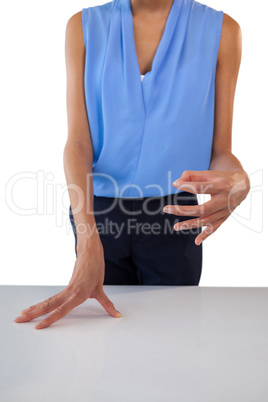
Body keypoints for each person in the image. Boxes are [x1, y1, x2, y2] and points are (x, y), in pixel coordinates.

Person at [14, 0, 250, 330]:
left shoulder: (222, 32)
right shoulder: (82, 27)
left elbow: (221, 150)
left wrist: (240, 182)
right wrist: (86, 239)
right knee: (102, 335)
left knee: (172, 338)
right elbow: (79, 144)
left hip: (175, 215)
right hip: (97, 214)